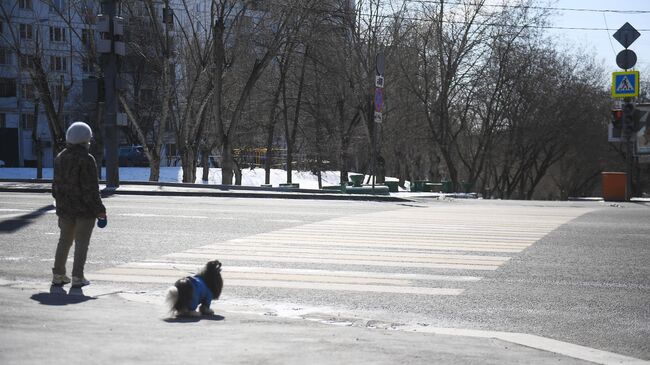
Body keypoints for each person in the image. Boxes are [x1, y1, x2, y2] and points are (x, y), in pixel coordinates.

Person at [51, 121, 107, 288]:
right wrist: (101, 211)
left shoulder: (60, 157)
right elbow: (91, 189)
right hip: (84, 210)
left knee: (64, 241)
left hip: (64, 209)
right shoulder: (87, 159)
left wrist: (60, 202)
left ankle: (58, 275)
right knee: (81, 243)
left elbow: (55, 186)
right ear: (85, 140)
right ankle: (77, 277)